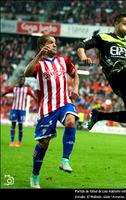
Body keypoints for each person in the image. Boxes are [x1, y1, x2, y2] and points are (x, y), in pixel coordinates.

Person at [24, 35, 79, 188]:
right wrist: (39, 55)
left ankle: (65, 160)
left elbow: (75, 75)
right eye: (51, 43)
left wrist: (75, 88)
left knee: (71, 121)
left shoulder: (64, 61)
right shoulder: (39, 64)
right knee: (44, 143)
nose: (55, 45)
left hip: (64, 103)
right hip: (47, 108)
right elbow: (27, 72)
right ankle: (35, 175)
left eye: (55, 43)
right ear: (42, 46)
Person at [1, 76, 37, 147]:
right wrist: (2, 94)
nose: (21, 81)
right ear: (18, 81)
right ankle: (12, 141)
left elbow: (33, 96)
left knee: (20, 126)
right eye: (20, 80)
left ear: (24, 82)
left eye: (23, 80)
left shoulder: (27, 89)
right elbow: (5, 92)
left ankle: (19, 141)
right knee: (13, 124)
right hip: (14, 109)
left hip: (22, 110)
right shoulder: (14, 88)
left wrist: (38, 100)